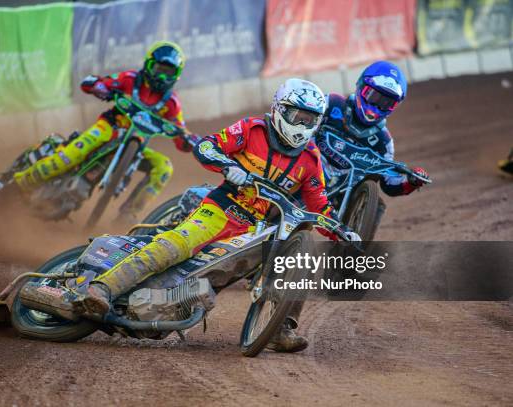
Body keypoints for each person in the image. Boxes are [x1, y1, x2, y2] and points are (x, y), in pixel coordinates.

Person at [74, 79, 360, 352]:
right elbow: (208, 145)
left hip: (257, 229)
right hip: (222, 210)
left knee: (296, 259)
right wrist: (227, 165)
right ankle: (102, 288)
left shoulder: (311, 160)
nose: (301, 125)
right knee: (176, 246)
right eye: (297, 116)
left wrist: (341, 229)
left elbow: (319, 203)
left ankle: (281, 328)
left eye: (309, 120)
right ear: (280, 109)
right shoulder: (252, 129)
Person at [0, 41, 198, 220]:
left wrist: (189, 140)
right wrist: (100, 86)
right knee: (67, 157)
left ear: (177, 74)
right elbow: (96, 83)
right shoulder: (131, 80)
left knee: (164, 166)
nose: (162, 77)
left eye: (168, 72)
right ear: (149, 65)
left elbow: (181, 135)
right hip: (109, 128)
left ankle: (127, 217)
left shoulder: (171, 104)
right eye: (159, 69)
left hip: (136, 146)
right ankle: (15, 186)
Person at [317, 61, 429, 201]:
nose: (376, 105)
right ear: (361, 86)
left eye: (386, 103)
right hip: (305, 171)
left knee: (377, 201)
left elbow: (388, 183)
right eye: (373, 96)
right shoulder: (331, 103)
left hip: (338, 196)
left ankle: (347, 219)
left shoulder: (384, 141)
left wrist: (412, 181)